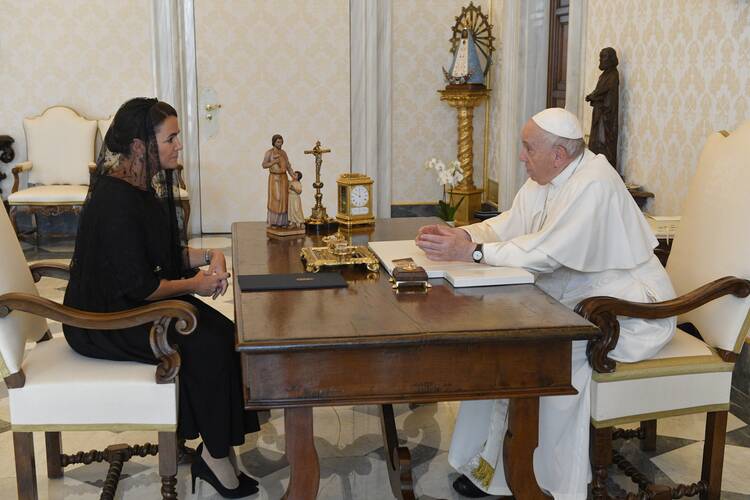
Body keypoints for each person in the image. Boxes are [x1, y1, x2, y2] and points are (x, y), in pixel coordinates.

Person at [415, 107, 676, 499]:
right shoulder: (544, 176)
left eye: (527, 148)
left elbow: (547, 254)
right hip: (583, 301)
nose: (521, 156)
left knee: (547, 355)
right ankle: (486, 464)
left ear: (559, 154)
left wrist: (475, 253)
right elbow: (508, 225)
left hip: (630, 310)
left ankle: (543, 481)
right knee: (499, 340)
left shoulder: (594, 182)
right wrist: (460, 236)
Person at [63, 98, 260, 498]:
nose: (178, 146)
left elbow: (163, 258)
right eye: (170, 138)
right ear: (140, 146)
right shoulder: (115, 201)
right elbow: (143, 287)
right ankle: (216, 455)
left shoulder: (139, 186)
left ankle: (214, 445)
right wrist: (196, 285)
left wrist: (211, 256)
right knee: (206, 342)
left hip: (129, 305)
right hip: (101, 322)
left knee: (224, 332)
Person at [586, 47, 620, 172]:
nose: (601, 60)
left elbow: (602, 91)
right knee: (595, 143)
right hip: (599, 114)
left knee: (603, 143)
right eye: (600, 57)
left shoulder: (612, 75)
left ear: (611, 59)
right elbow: (599, 91)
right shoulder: (604, 75)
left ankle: (604, 171)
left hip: (606, 117)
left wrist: (592, 96)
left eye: (604, 57)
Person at [262, 134, 295, 228]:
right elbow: (264, 165)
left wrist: (293, 175)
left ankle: (283, 222)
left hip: (283, 178)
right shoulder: (269, 152)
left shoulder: (283, 153)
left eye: (281, 142)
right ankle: (273, 222)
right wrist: (273, 162)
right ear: (274, 142)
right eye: (278, 142)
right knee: (277, 198)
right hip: (274, 178)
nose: (280, 144)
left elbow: (288, 165)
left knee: (284, 199)